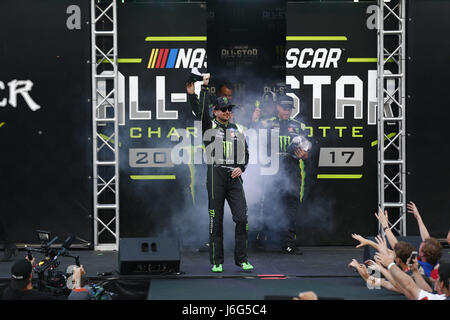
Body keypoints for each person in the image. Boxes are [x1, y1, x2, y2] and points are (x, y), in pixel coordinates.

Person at [186, 76, 253, 273]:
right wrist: (203, 88)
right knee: (216, 219)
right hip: (215, 174)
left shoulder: (237, 128)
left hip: (234, 176)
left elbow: (246, 153)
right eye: (224, 109)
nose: (228, 113)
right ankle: (217, 261)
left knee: (242, 218)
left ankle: (242, 260)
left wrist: (242, 167)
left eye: (230, 110)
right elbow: (201, 111)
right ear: (215, 111)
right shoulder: (209, 125)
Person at [254, 94, 309, 255]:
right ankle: (259, 240)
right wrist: (253, 120)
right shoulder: (265, 124)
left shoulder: (299, 126)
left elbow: (307, 151)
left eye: (289, 108)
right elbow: (252, 143)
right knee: (267, 206)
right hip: (270, 172)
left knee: (291, 208)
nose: (287, 111)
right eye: (284, 107)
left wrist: (304, 155)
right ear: (277, 107)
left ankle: (288, 243)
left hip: (291, 171)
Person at [374, 236, 450, 300]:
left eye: (436, 279)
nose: (435, 286)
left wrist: (387, 265)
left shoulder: (433, 296)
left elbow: (404, 286)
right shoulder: (437, 265)